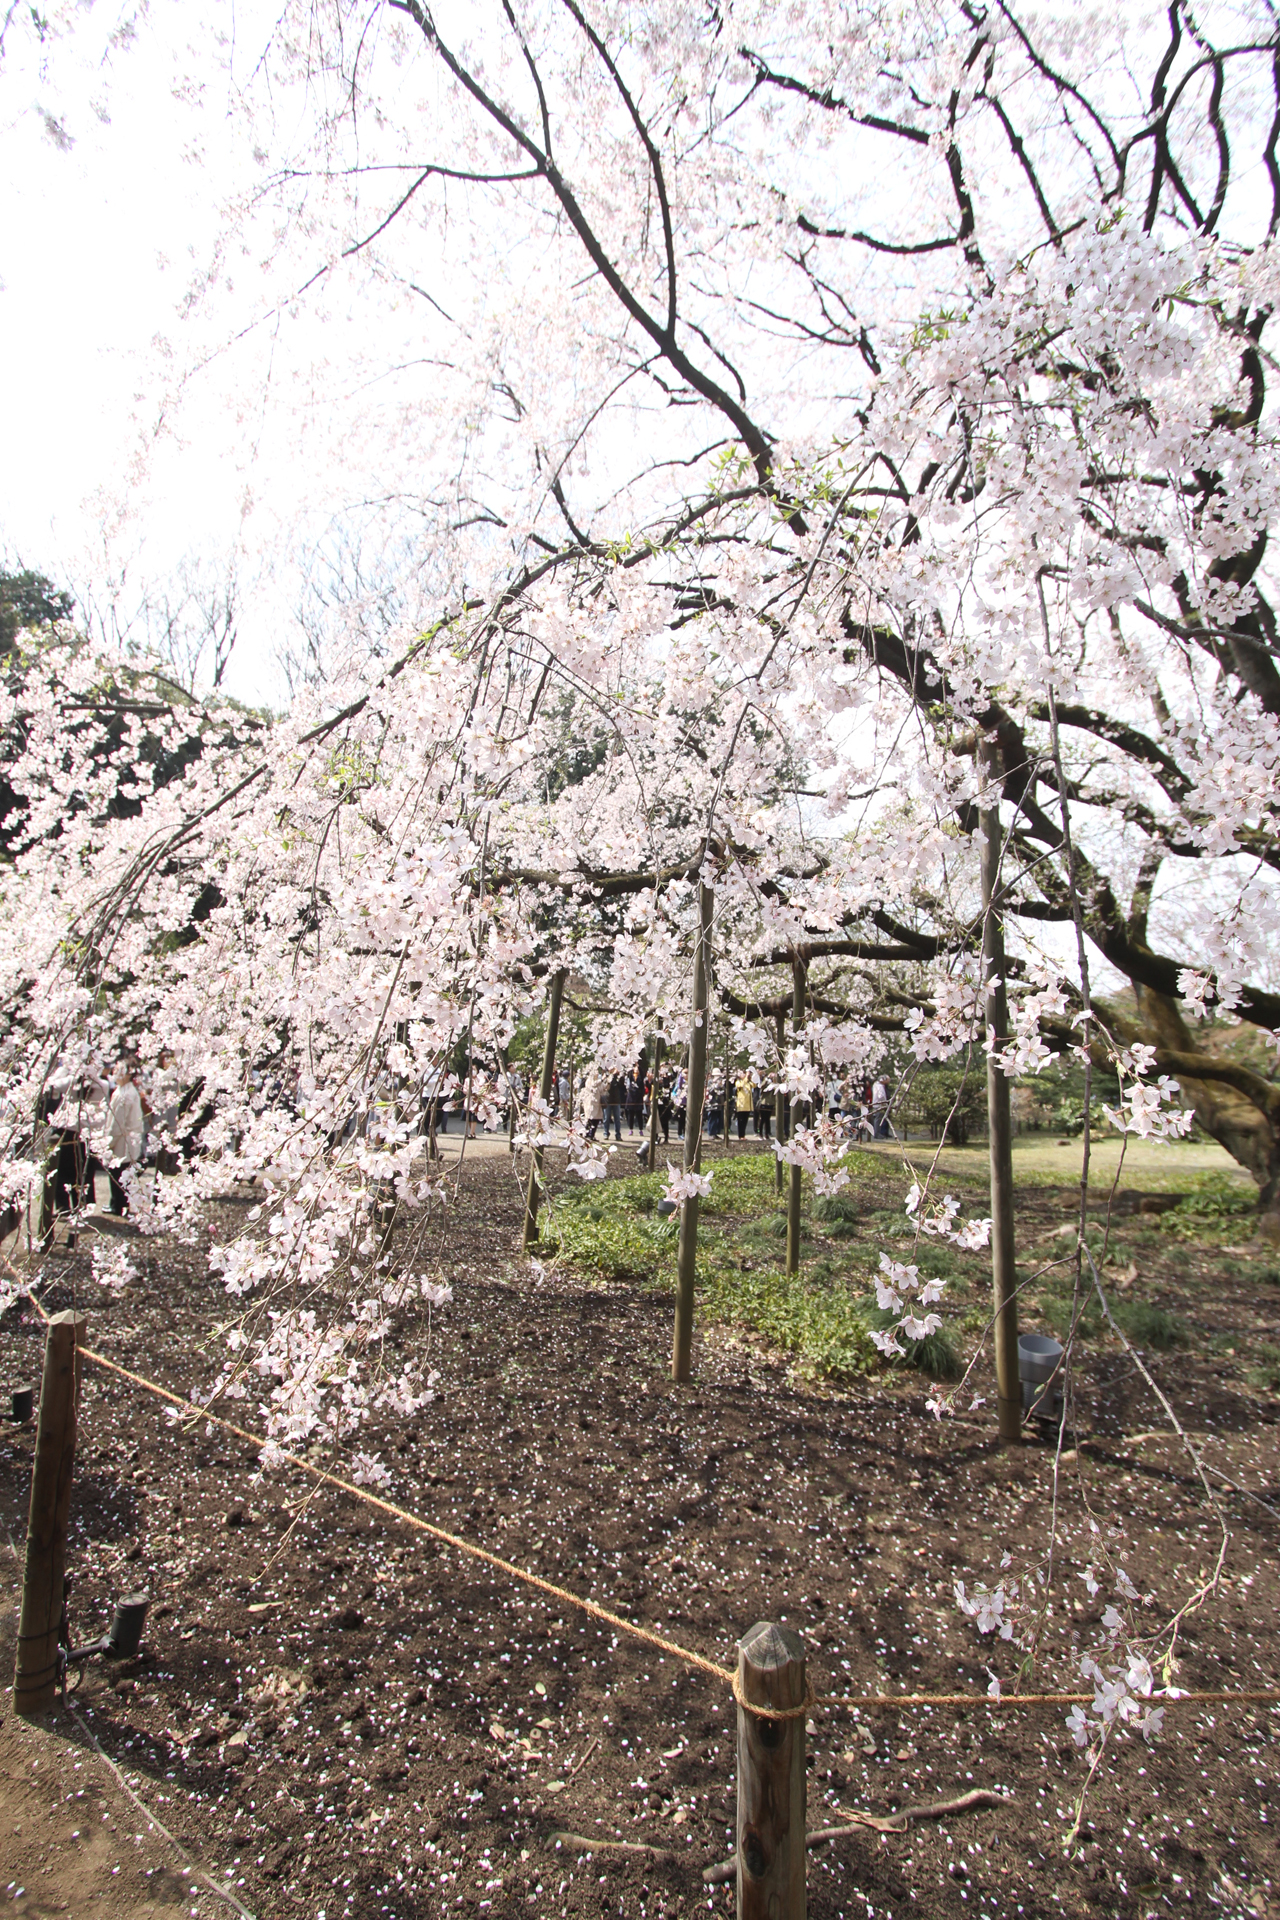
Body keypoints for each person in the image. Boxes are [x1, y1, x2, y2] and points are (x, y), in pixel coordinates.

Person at [105, 1060, 145, 1213]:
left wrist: (109, 1141)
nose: (115, 1073)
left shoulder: (126, 1094)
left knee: (119, 1173)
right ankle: (117, 1203)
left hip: (123, 1138)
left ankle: (118, 1205)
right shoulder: (122, 1090)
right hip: (125, 1136)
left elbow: (118, 1122)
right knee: (121, 1173)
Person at [735, 1069, 754, 1140]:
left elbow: (754, 1085)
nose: (745, 1075)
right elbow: (741, 1085)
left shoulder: (748, 1083)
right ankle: (740, 1135)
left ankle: (743, 1135)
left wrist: (751, 1077)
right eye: (743, 1074)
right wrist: (746, 1077)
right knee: (741, 1121)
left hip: (748, 1106)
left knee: (745, 1121)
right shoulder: (738, 1082)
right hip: (741, 1105)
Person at [605, 1072, 625, 1141]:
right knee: (606, 1118)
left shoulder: (618, 1076)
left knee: (617, 1119)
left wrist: (620, 1075)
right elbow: (605, 1087)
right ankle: (606, 1133)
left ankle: (618, 1135)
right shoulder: (607, 1075)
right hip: (608, 1100)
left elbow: (621, 1085)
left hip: (616, 1101)